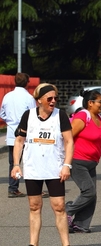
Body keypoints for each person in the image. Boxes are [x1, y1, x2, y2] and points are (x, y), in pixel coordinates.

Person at [10, 83, 73, 246]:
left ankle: (66, 244)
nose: (53, 101)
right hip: (33, 168)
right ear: (39, 100)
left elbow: (69, 141)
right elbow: (19, 141)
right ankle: (33, 243)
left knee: (59, 207)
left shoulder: (61, 116)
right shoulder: (28, 115)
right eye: (49, 98)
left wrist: (67, 164)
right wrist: (16, 164)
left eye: (55, 98)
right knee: (34, 206)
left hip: (55, 168)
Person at [66, 89, 101, 233]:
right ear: (90, 103)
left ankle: (80, 224)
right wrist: (65, 161)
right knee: (89, 191)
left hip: (92, 162)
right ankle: (67, 211)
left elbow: (99, 141)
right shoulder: (82, 117)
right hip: (77, 161)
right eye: (100, 101)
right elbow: (67, 138)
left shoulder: (99, 118)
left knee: (92, 196)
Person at [0, 73, 36, 198]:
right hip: (26, 133)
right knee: (29, 161)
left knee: (13, 162)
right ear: (27, 83)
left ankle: (13, 188)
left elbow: (2, 114)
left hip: (11, 133)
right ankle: (33, 188)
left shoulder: (7, 96)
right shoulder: (29, 98)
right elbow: (33, 116)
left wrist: (10, 121)